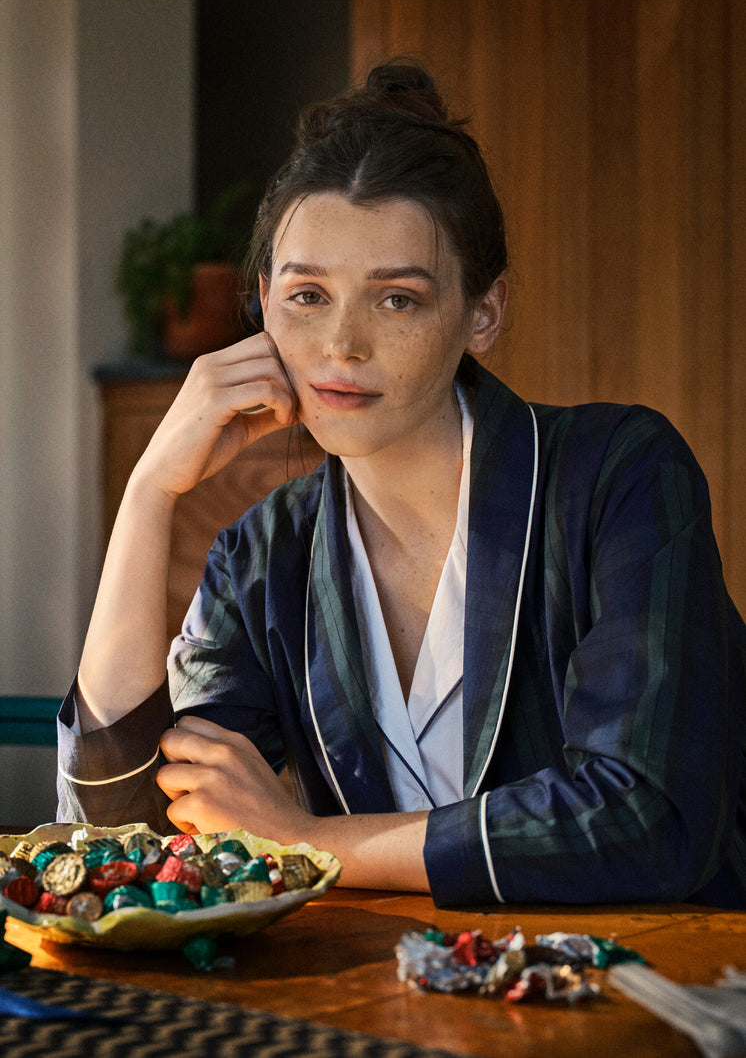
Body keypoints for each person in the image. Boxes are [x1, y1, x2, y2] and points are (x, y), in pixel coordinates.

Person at [57, 60, 746, 909]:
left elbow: (648, 819)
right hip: (403, 1006)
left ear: (482, 312)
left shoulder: (619, 473)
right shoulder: (265, 553)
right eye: (308, 295)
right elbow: (131, 848)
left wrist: (311, 841)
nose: (341, 344)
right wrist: (149, 494)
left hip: (657, 999)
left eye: (397, 301)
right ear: (263, 302)